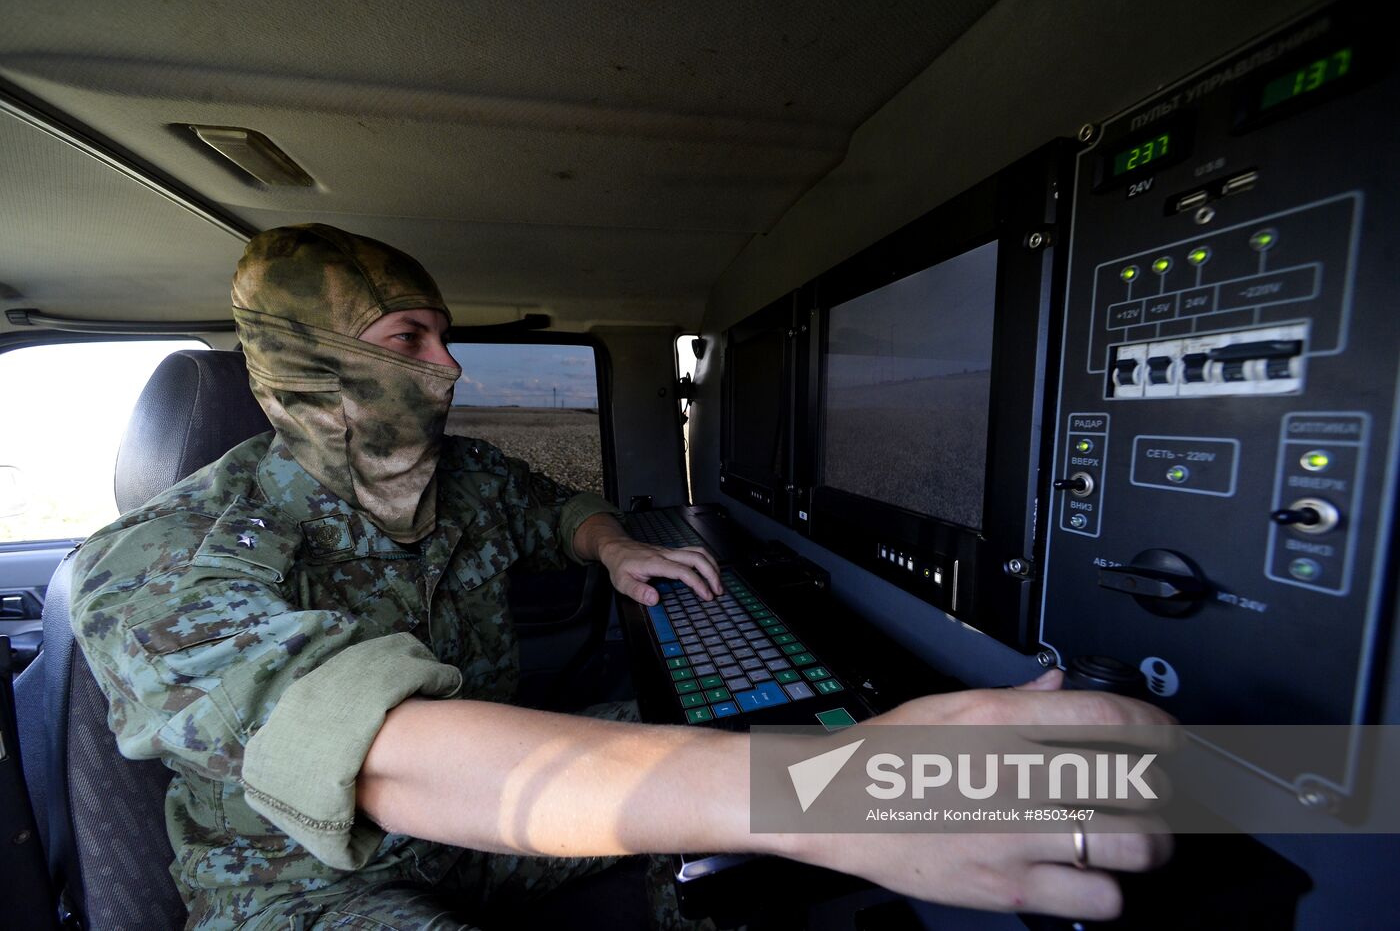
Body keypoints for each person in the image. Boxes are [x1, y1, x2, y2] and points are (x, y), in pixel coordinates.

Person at [71, 224, 1172, 931]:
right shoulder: (160, 559)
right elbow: (383, 761)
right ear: (312, 362)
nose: (448, 368)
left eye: (444, 337)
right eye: (408, 339)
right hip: (302, 880)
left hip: (474, 841)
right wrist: (818, 791)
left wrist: (612, 544)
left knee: (741, 809)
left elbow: (553, 507)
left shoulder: (457, 475)